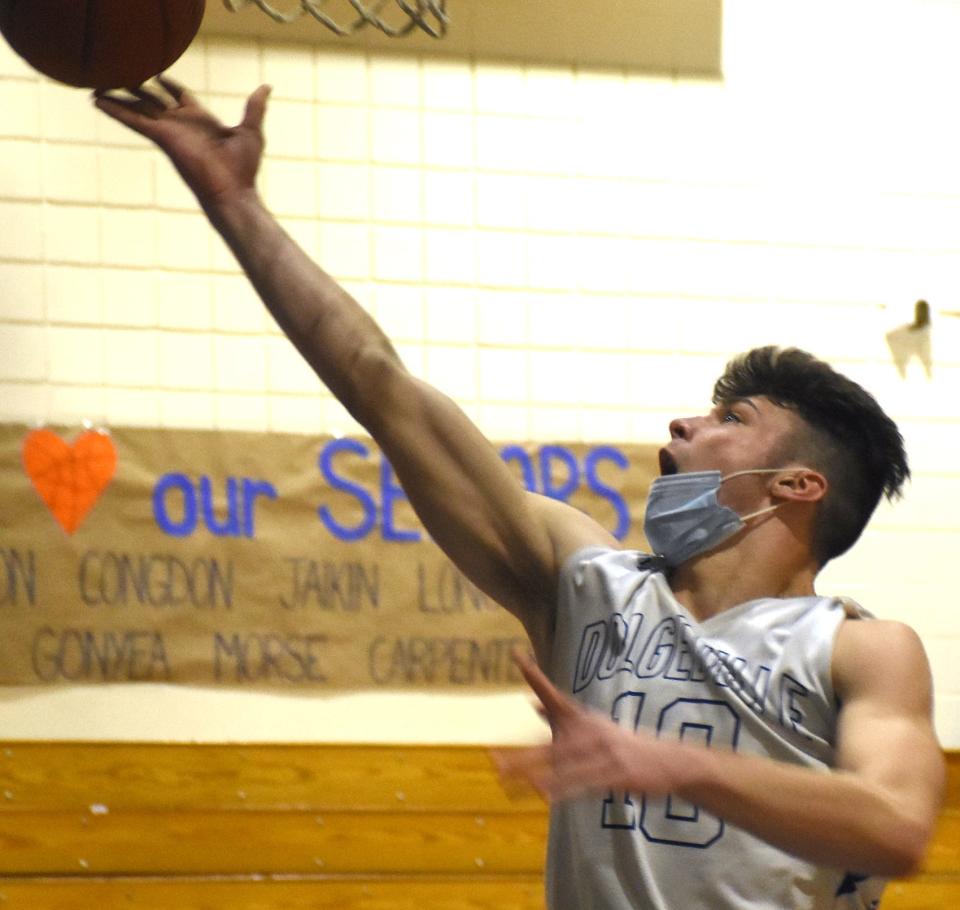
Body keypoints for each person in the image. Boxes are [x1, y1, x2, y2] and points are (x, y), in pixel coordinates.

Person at [94, 78, 945, 910]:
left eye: (731, 416)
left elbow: (897, 826)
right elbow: (381, 388)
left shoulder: (860, 650)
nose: (683, 424)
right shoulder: (586, 585)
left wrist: (677, 765)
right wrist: (234, 204)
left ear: (796, 485)